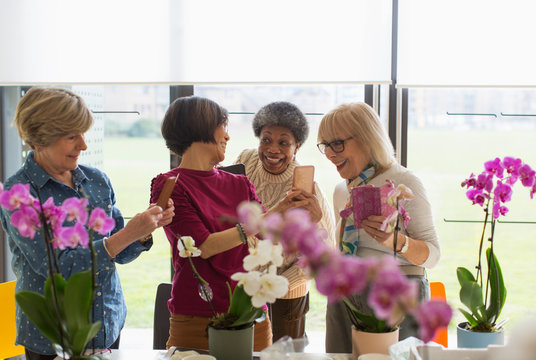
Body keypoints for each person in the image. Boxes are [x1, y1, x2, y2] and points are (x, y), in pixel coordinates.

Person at [0, 87, 174, 360]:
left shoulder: (96, 181)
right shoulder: (19, 195)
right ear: (38, 139)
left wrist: (142, 232)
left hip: (107, 325)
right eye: (72, 137)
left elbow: (119, 252)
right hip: (52, 340)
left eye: (83, 133)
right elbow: (57, 267)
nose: (83, 145)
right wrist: (127, 234)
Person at [151, 96, 307, 351]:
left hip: (252, 314)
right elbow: (204, 246)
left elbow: (271, 235)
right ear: (200, 128)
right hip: (196, 315)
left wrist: (301, 218)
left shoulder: (239, 183)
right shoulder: (170, 185)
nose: (228, 136)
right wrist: (277, 211)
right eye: (223, 126)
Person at [317, 102, 440, 353]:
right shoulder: (343, 190)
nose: (330, 154)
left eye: (337, 144)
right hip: (346, 297)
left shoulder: (404, 181)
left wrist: (395, 242)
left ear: (367, 138)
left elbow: (433, 256)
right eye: (325, 146)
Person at [235, 101, 335, 342]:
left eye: (284, 143)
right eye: (266, 139)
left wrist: (279, 285)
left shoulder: (306, 190)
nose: (273, 149)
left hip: (288, 290)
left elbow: (324, 250)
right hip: (244, 285)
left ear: (296, 147)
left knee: (285, 354)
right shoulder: (245, 161)